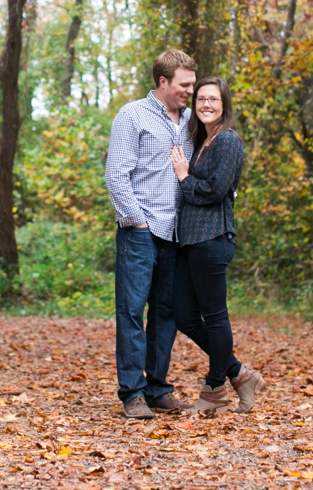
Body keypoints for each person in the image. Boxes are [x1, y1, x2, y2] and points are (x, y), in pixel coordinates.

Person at [105, 49, 198, 419]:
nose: (190, 91)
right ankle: (133, 394)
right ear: (163, 82)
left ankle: (158, 389)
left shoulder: (192, 120)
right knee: (131, 312)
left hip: (177, 233)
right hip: (140, 232)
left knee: (166, 313)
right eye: (184, 84)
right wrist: (138, 222)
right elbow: (117, 176)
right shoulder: (132, 116)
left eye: (192, 84)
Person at [169, 77, 265, 416]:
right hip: (191, 241)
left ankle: (214, 390)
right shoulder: (202, 140)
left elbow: (214, 191)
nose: (205, 104)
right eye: (200, 100)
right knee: (185, 316)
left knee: (215, 316)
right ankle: (239, 373)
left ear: (224, 104)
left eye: (212, 99)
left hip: (213, 239)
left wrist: (183, 177)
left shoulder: (228, 142)